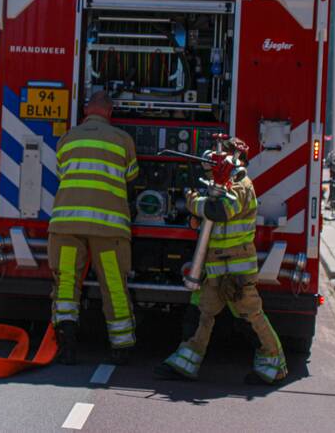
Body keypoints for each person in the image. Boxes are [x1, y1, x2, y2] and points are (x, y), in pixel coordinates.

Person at [155, 138, 288, 385]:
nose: (216, 161)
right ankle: (185, 362)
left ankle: (273, 365)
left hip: (237, 268)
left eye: (223, 156)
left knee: (250, 315)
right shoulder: (219, 185)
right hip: (216, 267)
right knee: (201, 313)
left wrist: (194, 202)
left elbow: (220, 211)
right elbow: (207, 219)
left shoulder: (241, 185)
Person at [48, 91, 139, 366]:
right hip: (108, 229)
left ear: (87, 110)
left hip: (66, 225)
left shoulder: (68, 138)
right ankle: (121, 348)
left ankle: (67, 344)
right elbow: (131, 176)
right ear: (110, 112)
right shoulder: (123, 140)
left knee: (66, 284)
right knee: (113, 284)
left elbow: (62, 172)